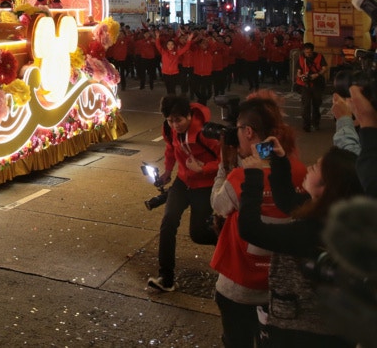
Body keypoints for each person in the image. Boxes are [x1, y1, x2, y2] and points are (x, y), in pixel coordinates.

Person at [238, 141, 362, 346]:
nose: (310, 166)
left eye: (315, 167)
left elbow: (250, 229)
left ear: (327, 187)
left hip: (301, 333)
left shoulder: (313, 233)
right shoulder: (337, 215)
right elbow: (287, 200)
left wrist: (252, 177)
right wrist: (279, 160)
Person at [210, 91, 307, 348]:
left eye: (239, 129)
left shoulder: (240, 178)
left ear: (249, 132)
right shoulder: (298, 170)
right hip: (280, 286)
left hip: (239, 286)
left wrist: (224, 166)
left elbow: (218, 206)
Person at [147, 95, 221, 293]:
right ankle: (166, 278)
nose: (174, 125)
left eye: (178, 120)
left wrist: (203, 169)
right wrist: (167, 172)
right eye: (170, 120)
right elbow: (171, 150)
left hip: (204, 185)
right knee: (168, 222)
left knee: (198, 233)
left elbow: (225, 161)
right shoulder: (168, 129)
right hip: (182, 182)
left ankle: (229, 250)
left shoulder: (206, 133)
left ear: (189, 115)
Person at [295, 42, 328, 132]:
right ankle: (306, 125)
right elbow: (298, 70)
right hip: (305, 85)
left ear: (312, 51)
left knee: (316, 105)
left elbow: (324, 68)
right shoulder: (301, 58)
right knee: (306, 105)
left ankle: (315, 123)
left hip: (317, 84)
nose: (307, 54)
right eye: (306, 52)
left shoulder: (319, 57)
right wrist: (301, 76)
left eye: (309, 52)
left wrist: (317, 75)